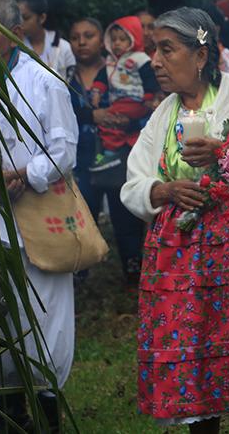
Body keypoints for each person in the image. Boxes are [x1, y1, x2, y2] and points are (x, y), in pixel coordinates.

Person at [121, 7, 229, 433]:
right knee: (193, 355)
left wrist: (227, 154)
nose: (157, 62)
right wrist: (163, 191)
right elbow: (133, 183)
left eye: (167, 49)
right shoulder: (163, 114)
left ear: (201, 56)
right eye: (153, 51)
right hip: (182, 260)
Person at [0, 0, 78, 432]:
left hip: (36, 217)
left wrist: (23, 174)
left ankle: (47, 408)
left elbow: (64, 151)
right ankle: (10, 408)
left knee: (43, 313)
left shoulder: (43, 82)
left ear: (11, 34)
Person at [68, 17, 146, 284]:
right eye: (75, 37)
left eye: (88, 35)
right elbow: (59, 114)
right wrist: (94, 116)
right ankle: (78, 275)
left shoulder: (122, 70)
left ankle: (133, 275)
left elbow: (144, 109)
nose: (81, 42)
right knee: (81, 217)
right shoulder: (65, 76)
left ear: (102, 41)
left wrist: (127, 120)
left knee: (125, 218)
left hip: (118, 155)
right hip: (79, 159)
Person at [97, 16, 160, 153]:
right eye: (113, 40)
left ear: (133, 39)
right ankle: (126, 145)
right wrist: (97, 90)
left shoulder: (139, 58)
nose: (117, 43)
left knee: (109, 119)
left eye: (122, 39)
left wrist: (148, 97)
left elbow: (149, 78)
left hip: (135, 101)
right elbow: (102, 77)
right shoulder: (110, 60)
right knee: (115, 122)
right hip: (119, 101)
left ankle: (110, 149)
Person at [17, 0, 75, 79]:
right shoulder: (15, 48)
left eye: (26, 18)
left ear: (42, 18)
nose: (20, 23)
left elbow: (70, 83)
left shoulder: (63, 47)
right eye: (18, 19)